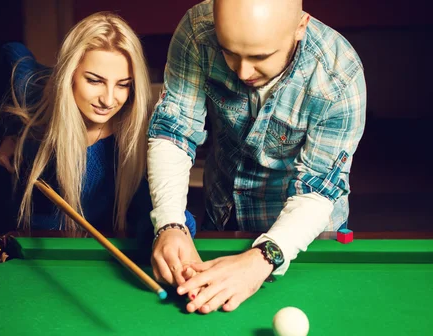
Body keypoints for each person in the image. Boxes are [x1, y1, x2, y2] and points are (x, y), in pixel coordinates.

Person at [148, 0, 366, 313]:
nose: (242, 71)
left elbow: (317, 188)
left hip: (304, 233)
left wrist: (267, 255)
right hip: (224, 211)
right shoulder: (198, 32)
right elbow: (174, 132)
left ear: (300, 27)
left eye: (260, 56)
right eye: (229, 51)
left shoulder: (339, 75)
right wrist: (170, 223)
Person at [0, 12, 197, 239]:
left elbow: (151, 216)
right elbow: (11, 51)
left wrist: (175, 227)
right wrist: (11, 132)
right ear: (68, 75)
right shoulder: (34, 91)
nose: (108, 100)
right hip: (22, 245)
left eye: (123, 85)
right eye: (94, 80)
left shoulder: (131, 146)